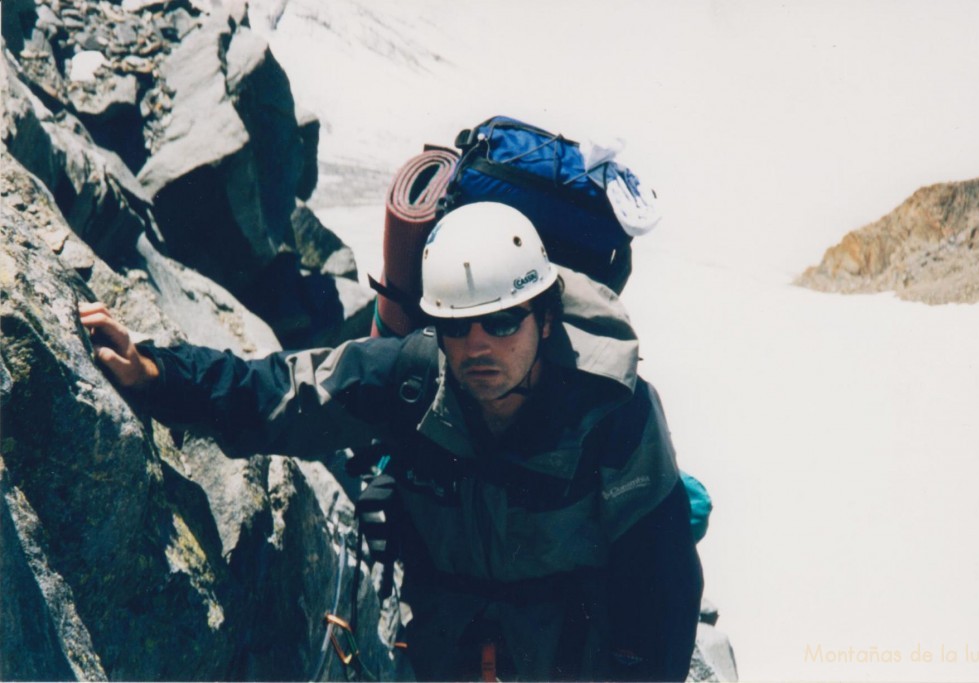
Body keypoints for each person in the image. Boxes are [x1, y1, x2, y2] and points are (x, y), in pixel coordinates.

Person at [79, 202, 703, 681]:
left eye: (503, 321)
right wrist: (160, 375)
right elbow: (275, 394)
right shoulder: (410, 378)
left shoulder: (613, 412)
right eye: (456, 325)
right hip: (446, 654)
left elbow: (665, 582)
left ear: (545, 318)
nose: (478, 345)